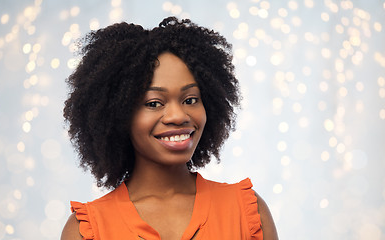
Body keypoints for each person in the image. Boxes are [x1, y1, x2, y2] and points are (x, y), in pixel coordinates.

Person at [61, 16, 278, 240]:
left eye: (190, 100)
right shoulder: (89, 231)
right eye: (154, 103)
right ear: (118, 114)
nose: (178, 116)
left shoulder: (247, 212)